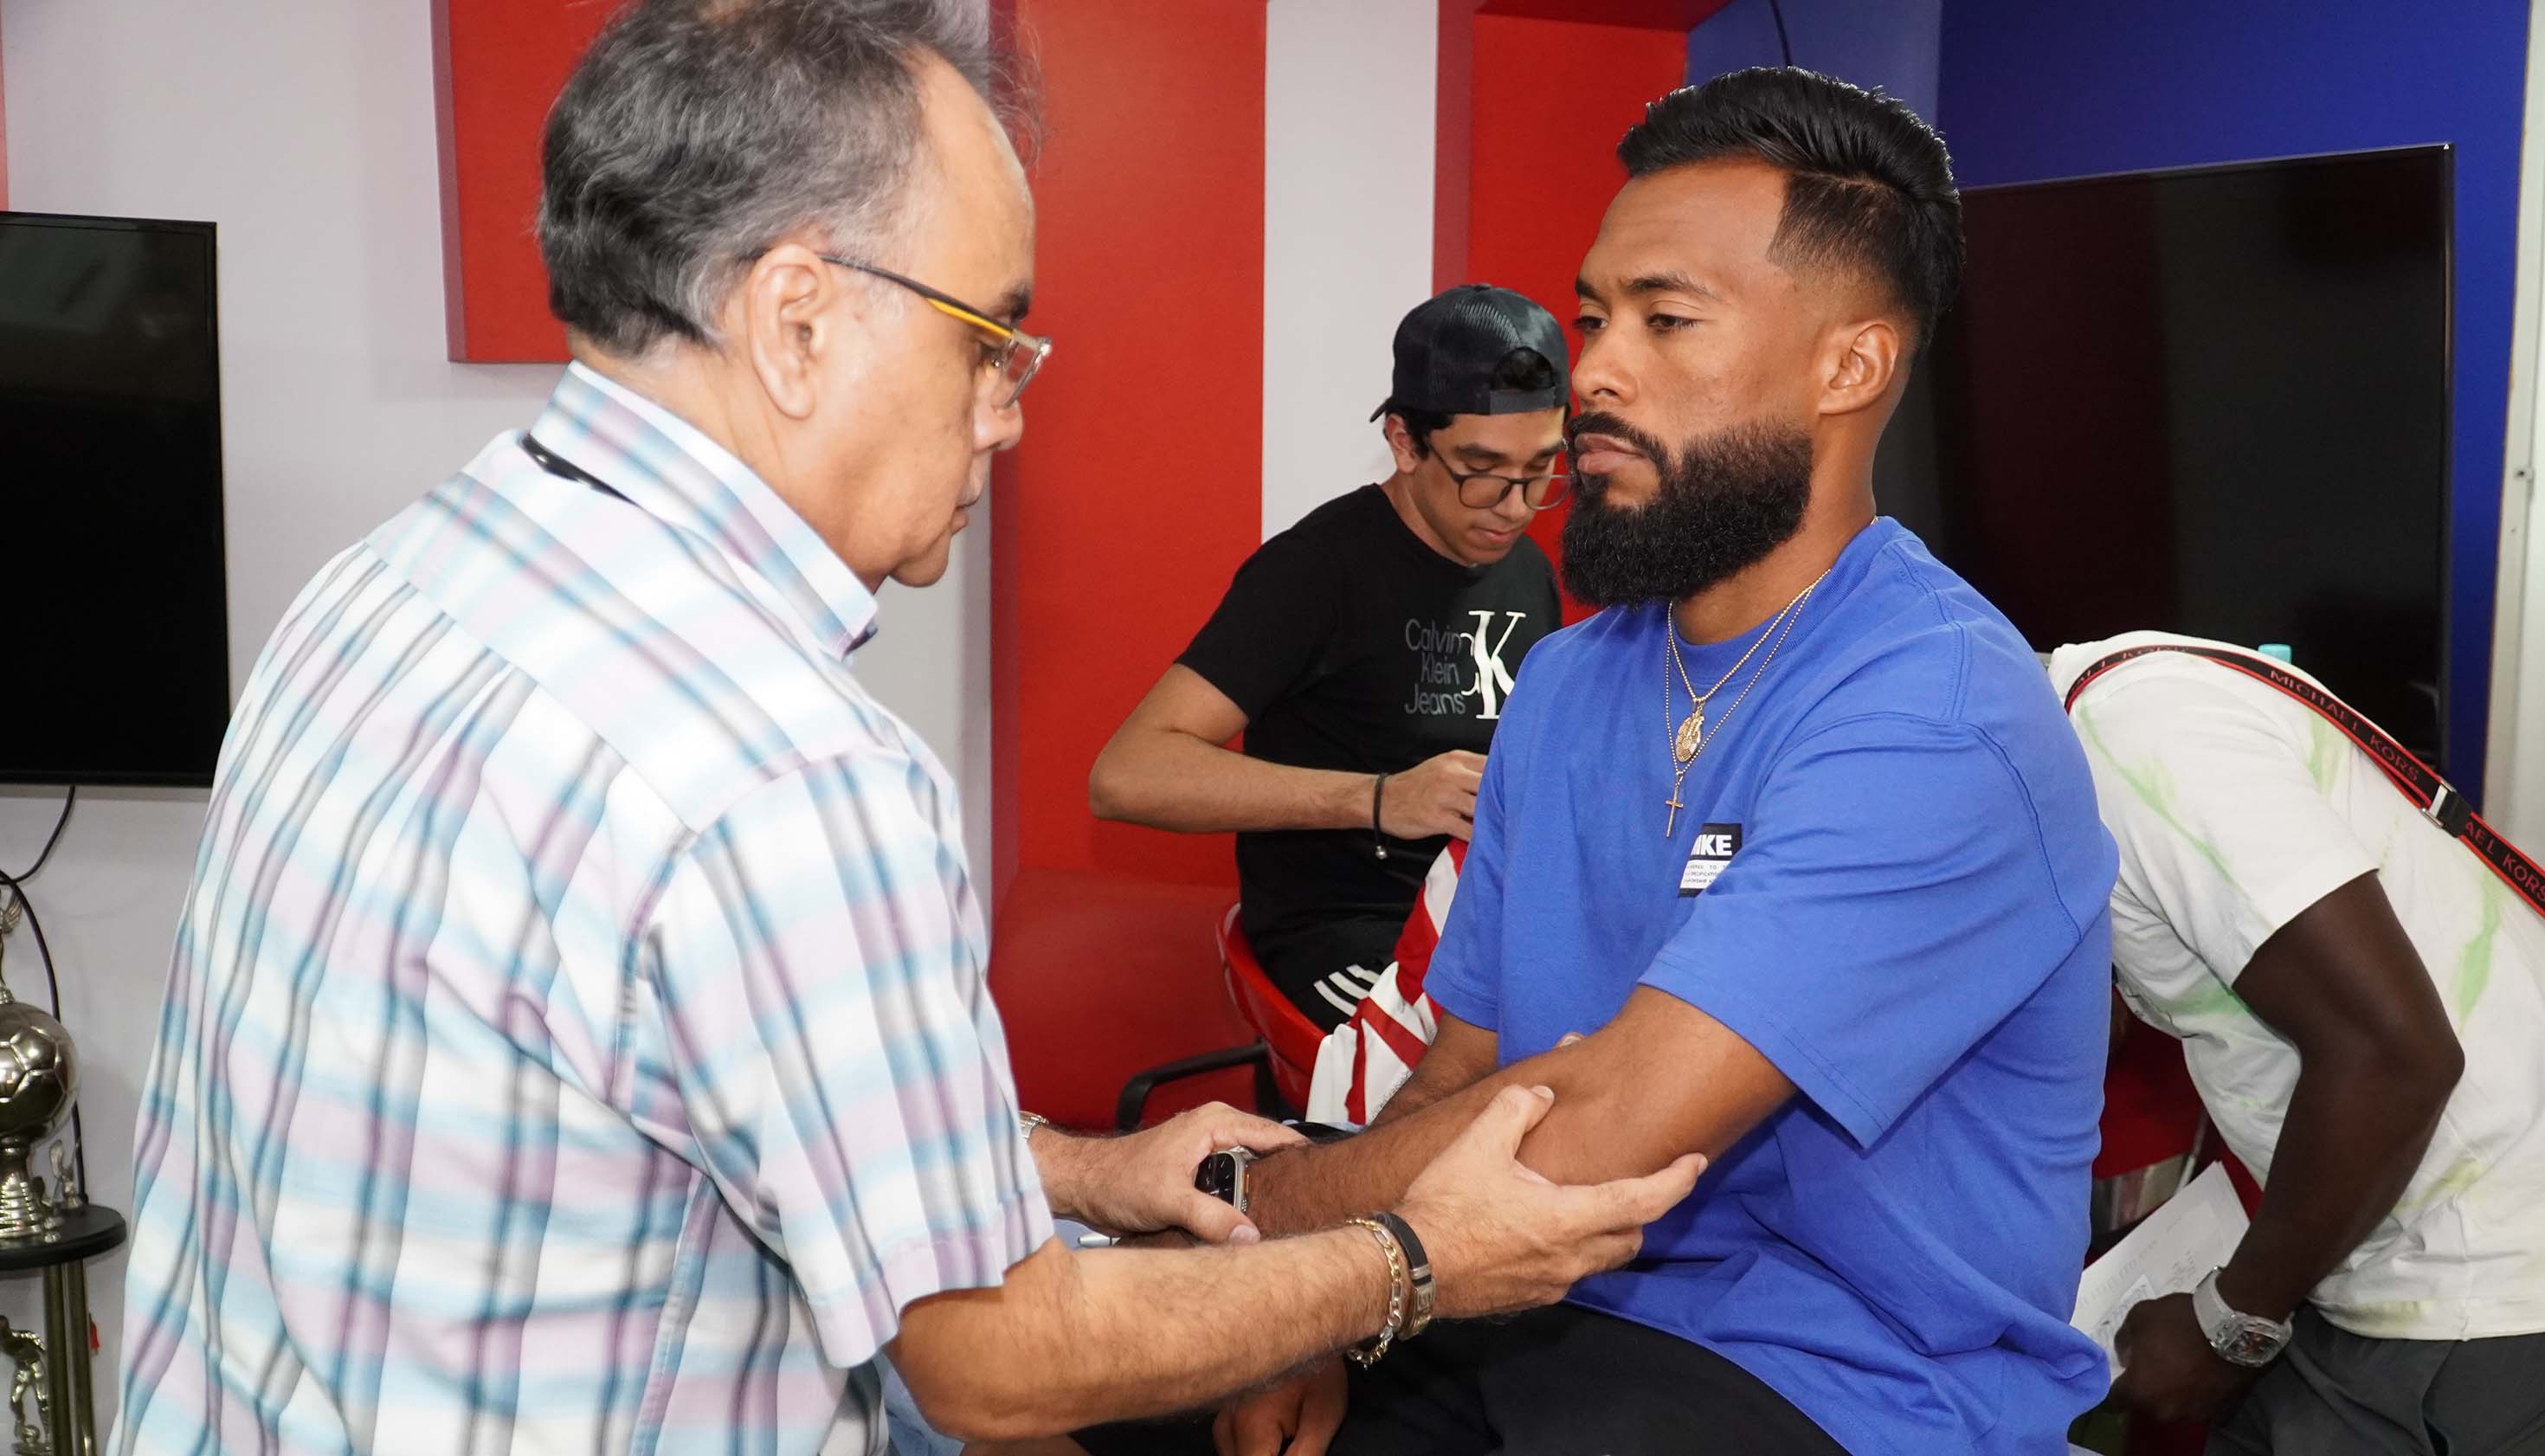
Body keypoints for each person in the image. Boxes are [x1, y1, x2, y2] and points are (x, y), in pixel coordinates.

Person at [104, 5, 1705, 1453]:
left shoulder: (385, 584)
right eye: (986, 337)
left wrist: (1074, 1167)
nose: (1009, 406)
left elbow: (662, 1091)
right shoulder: (786, 771)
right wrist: (1418, 1260)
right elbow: (997, 1359)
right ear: (798, 318)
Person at [1079, 67, 2118, 1456]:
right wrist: (1314, 1314)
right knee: (1083, 1405)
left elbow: (1601, 1132)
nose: (1598, 374)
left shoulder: (1938, 713)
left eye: (1665, 320)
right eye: (1593, 318)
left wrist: (1257, 1241)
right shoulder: (1570, 681)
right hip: (1531, 1296)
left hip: (1837, 1374)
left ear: (1850, 365)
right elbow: (1465, 1071)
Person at [2051, 630, 2545, 1454]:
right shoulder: (2129, 698)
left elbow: (2395, 1058)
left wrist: (2229, 1324)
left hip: (2474, 1288)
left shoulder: (2131, 732)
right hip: (2379, 1256)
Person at [1089, 286, 1568, 1029]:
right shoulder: (1317, 570)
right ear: (1406, 443)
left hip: (1473, 922)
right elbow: (1126, 777)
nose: (1514, 506)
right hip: (1348, 933)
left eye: (1540, 470)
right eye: (1481, 471)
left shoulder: (1528, 572)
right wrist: (1379, 800)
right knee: (1476, 1085)